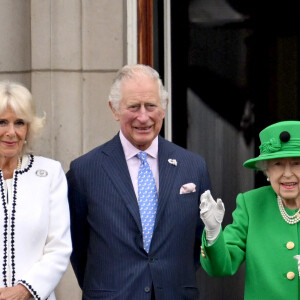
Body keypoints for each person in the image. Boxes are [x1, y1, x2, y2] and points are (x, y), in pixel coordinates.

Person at [67, 64, 211, 300]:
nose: (143, 117)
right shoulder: (84, 171)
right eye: (133, 107)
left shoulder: (193, 167)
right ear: (114, 109)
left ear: (163, 108)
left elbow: (200, 240)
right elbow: (77, 245)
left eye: (151, 106)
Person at [200, 120, 300, 300]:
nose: (287, 173)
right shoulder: (251, 203)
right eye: (277, 164)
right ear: (267, 170)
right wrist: (213, 232)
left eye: (296, 163)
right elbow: (222, 266)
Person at [0, 81, 72, 300]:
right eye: (2, 122)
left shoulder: (49, 173)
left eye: (19, 123)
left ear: (28, 128)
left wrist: (23, 291)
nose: (11, 132)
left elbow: (59, 247)